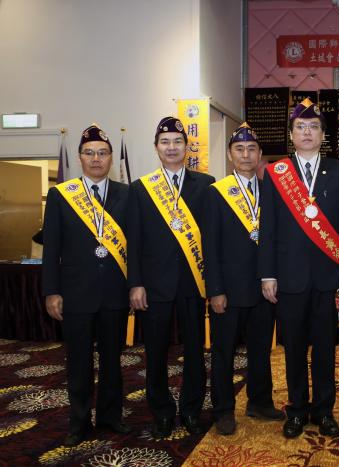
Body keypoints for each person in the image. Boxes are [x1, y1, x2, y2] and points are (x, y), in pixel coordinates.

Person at [258, 98, 339, 439]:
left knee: (326, 348)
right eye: (301, 127)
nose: (307, 132)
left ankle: (324, 411)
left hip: (328, 277)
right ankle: (297, 410)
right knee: (295, 348)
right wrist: (268, 274)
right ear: (291, 134)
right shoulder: (276, 173)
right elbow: (268, 226)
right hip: (289, 277)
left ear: (323, 135)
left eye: (314, 127)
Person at [42, 124, 131, 446]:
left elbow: (135, 245)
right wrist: (51, 290)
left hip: (115, 293)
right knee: (78, 362)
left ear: (111, 158)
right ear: (80, 157)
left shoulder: (126, 194)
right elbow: (51, 248)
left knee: (112, 361)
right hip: (76, 294)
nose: (96, 159)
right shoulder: (62, 195)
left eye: (102, 153)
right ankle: (79, 422)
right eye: (89, 153)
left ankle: (110, 416)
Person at [127, 116, 215, 438]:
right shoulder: (141, 189)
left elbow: (212, 238)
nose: (172, 147)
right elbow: (134, 241)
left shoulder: (206, 184)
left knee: (195, 351)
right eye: (165, 142)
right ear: (156, 148)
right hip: (154, 285)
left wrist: (213, 282)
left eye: (178, 141)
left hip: (194, 282)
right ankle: (161, 411)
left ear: (186, 147)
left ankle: (191, 409)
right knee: (155, 352)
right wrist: (135, 283)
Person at [202, 123, 284, 436]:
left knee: (261, 349)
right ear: (229, 154)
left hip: (264, 287)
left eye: (251, 149)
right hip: (229, 290)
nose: (246, 154)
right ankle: (223, 410)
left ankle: (260, 402)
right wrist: (215, 290)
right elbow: (210, 246)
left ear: (260, 154)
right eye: (239, 149)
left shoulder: (271, 191)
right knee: (223, 352)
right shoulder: (216, 193)